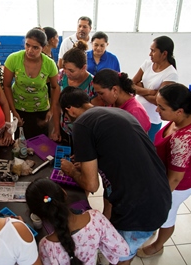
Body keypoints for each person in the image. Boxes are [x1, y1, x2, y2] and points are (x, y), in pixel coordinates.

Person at [59, 87, 171, 265]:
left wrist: (71, 170)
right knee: (127, 250)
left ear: (70, 110)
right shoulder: (113, 113)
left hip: (139, 210)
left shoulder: (81, 124)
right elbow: (117, 154)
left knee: (121, 256)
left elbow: (91, 185)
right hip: (159, 196)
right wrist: (88, 162)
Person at [137, 84, 191, 258]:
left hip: (176, 187)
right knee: (159, 213)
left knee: (167, 216)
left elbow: (174, 179)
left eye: (162, 107)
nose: (157, 110)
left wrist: (159, 199)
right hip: (163, 176)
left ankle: (158, 246)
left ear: (179, 111)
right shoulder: (185, 118)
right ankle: (153, 226)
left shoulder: (184, 139)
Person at [26, 178, 129, 265]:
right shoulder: (96, 219)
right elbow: (122, 249)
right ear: (64, 193)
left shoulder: (46, 246)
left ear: (38, 215)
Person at [3, 28, 61, 140]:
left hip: (41, 109)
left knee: (41, 143)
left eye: (35, 47)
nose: (30, 50)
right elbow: (6, 85)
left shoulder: (49, 64)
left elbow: (55, 87)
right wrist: (13, 111)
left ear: (43, 48)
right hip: (19, 109)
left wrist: (51, 110)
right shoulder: (13, 59)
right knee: (21, 143)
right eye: (27, 45)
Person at [132, 35, 178, 141]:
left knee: (146, 151)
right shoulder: (147, 64)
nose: (150, 54)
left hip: (152, 120)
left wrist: (139, 89)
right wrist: (150, 91)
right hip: (136, 114)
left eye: (153, 51)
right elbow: (131, 85)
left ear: (164, 54)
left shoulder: (171, 73)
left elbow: (158, 100)